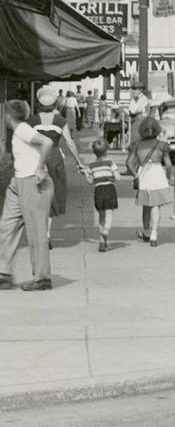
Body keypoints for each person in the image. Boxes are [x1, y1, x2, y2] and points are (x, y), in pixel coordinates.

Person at [0, 101, 55, 291]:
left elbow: (47, 142)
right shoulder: (19, 131)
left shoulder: (22, 129)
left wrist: (40, 168)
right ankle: (3, 273)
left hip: (33, 182)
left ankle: (42, 278)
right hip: (18, 182)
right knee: (6, 226)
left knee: (36, 231)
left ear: (8, 116)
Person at [33, 95, 87, 251]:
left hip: (36, 158)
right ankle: (47, 235)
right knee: (52, 196)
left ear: (38, 105)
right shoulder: (60, 121)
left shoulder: (32, 121)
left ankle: (39, 234)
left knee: (36, 196)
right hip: (55, 158)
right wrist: (79, 161)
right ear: (54, 105)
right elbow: (70, 142)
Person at [125, 116, 173, 246]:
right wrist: (168, 177)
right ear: (157, 129)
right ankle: (154, 233)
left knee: (146, 206)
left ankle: (146, 232)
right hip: (158, 173)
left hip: (144, 175)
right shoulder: (162, 145)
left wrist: (135, 175)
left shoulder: (136, 145)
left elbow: (129, 163)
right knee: (156, 205)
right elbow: (168, 165)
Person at [86, 139, 119, 252]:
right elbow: (118, 177)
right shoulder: (110, 163)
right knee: (109, 212)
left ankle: (102, 242)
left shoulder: (91, 165)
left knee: (101, 216)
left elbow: (90, 182)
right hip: (109, 189)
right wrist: (113, 175)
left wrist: (87, 174)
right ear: (106, 152)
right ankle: (106, 230)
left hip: (98, 190)